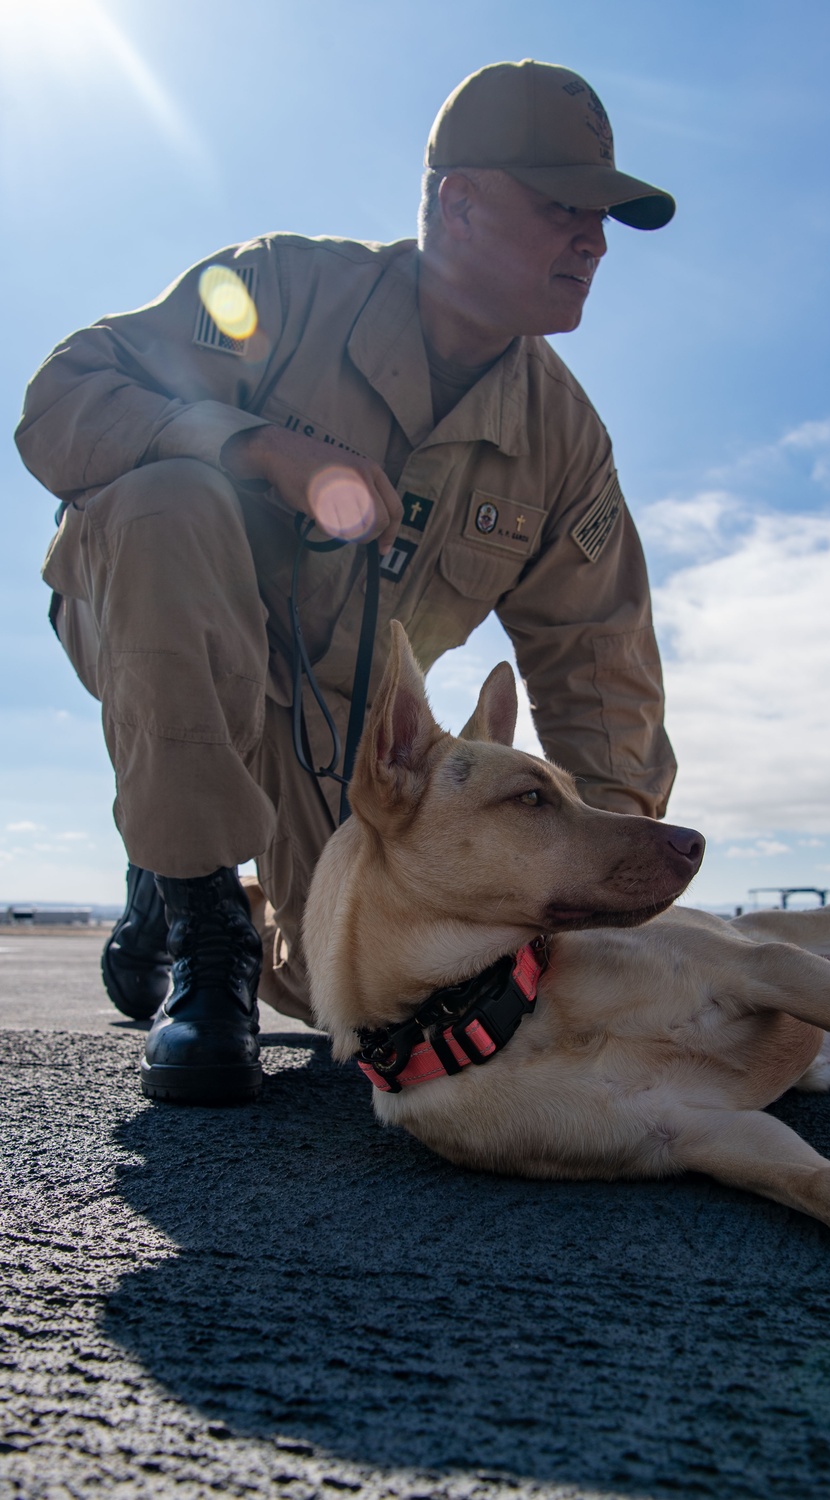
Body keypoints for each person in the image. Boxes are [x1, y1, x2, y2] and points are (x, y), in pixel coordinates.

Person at [15, 59, 678, 1107]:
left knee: (335, 990)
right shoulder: (278, 290)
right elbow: (63, 402)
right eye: (563, 207)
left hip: (347, 728)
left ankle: (171, 873)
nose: (593, 241)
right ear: (458, 205)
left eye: (603, 216)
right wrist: (250, 445)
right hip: (161, 619)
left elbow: (602, 676)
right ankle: (200, 922)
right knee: (170, 502)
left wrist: (599, 886)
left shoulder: (562, 441)